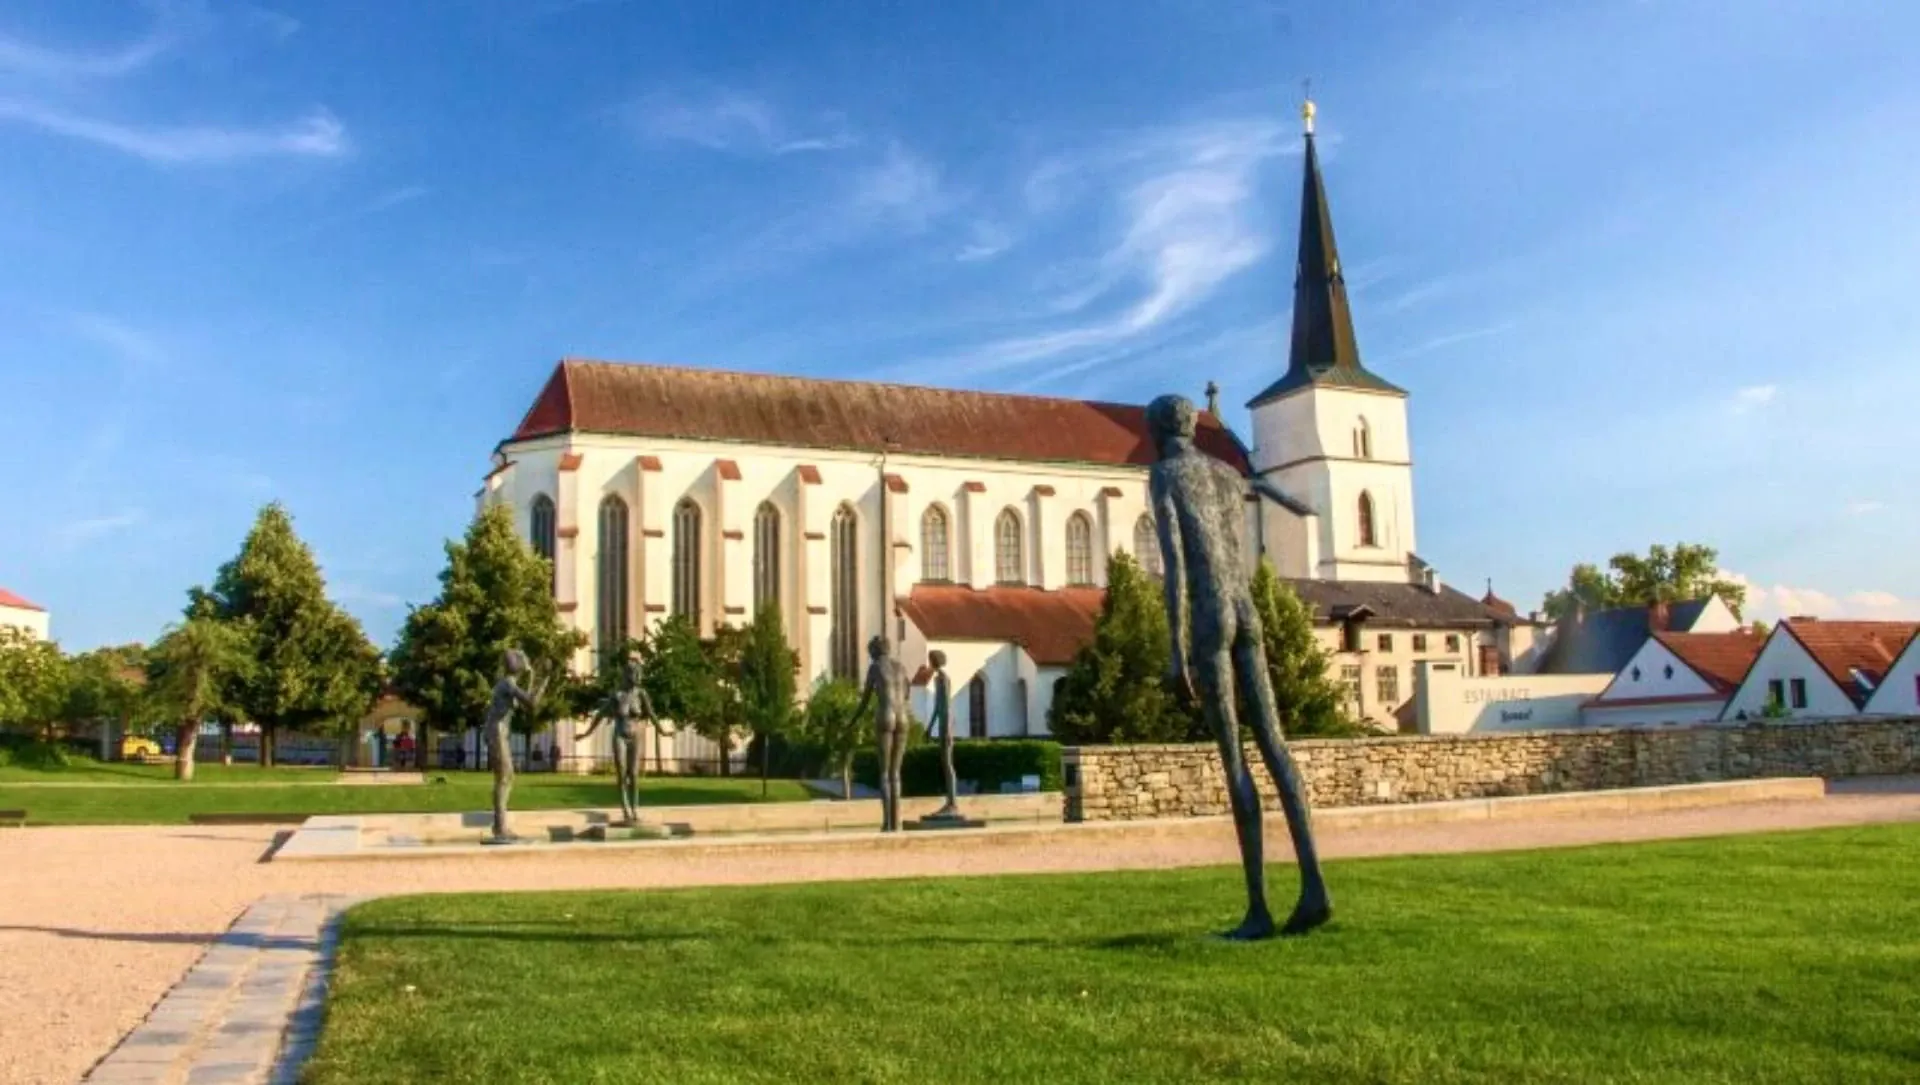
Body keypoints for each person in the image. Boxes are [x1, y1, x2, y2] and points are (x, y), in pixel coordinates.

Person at [1148, 392, 1331, 939]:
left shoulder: (1163, 475)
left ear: (1159, 430)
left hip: (1210, 614)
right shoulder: (1229, 473)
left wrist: (1176, 648)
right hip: (1247, 607)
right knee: (1275, 744)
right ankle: (1315, 886)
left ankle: (1258, 910)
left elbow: (1178, 565)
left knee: (1235, 759)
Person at [849, 636, 911, 832]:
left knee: (884, 772)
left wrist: (852, 720)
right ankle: (898, 822)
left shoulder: (875, 667)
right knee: (896, 773)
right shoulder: (901, 667)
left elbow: (865, 698)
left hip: (885, 716)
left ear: (875, 651)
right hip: (903, 717)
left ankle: (887, 822)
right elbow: (907, 693)